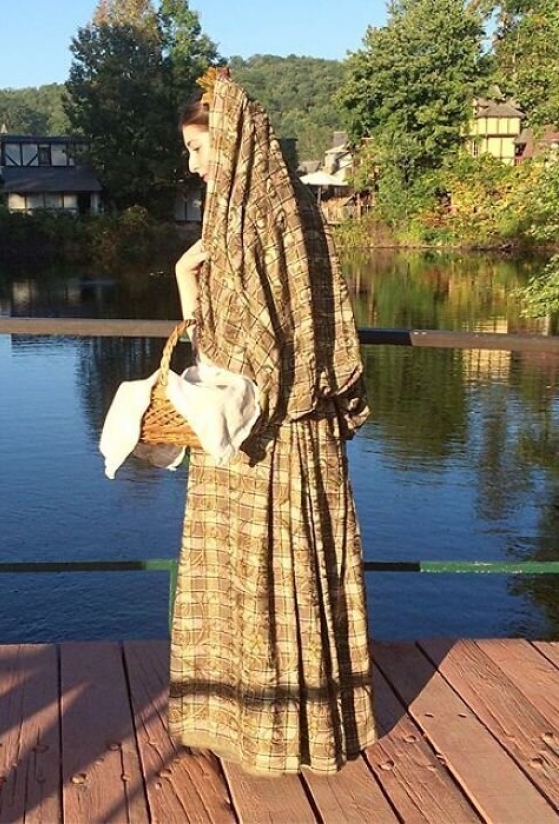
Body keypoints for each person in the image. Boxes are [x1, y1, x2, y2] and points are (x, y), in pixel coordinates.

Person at [167, 67, 376, 775]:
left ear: (229, 147)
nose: (193, 166)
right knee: (298, 578)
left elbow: (235, 360)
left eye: (199, 150)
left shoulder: (242, 230)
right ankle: (313, 725)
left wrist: (186, 281)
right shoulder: (298, 217)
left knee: (251, 581)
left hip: (258, 438)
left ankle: (260, 729)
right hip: (306, 435)